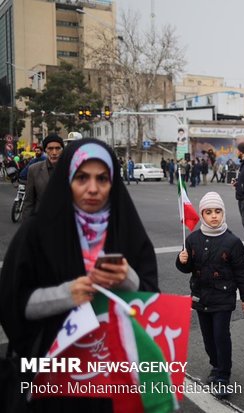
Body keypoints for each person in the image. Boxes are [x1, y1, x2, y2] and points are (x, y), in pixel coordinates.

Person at [0, 138, 159, 412]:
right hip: (54, 376)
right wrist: (66, 295)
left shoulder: (127, 229)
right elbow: (13, 301)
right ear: (67, 179)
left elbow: (151, 300)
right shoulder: (37, 233)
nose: (93, 189)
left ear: (114, 184)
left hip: (114, 374)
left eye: (103, 179)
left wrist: (127, 278)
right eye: (82, 177)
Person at [176, 192, 244, 398]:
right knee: (208, 338)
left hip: (223, 299)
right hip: (201, 298)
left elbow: (242, 271)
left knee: (220, 336)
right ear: (202, 214)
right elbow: (187, 268)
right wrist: (181, 260)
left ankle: (223, 376)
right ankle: (215, 365)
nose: (214, 216)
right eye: (208, 212)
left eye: (217, 211)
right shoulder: (192, 239)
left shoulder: (232, 241)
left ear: (223, 213)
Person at [22, 134, 65, 220]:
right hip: (41, 222)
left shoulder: (71, 168)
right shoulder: (34, 169)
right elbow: (28, 202)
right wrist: (26, 228)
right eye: (50, 148)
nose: (54, 152)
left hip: (64, 224)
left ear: (62, 150)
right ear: (45, 150)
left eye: (57, 148)